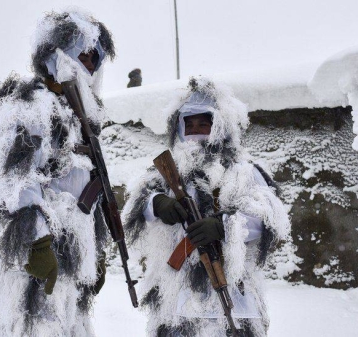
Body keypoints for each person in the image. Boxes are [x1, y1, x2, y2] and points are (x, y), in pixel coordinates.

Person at [0, 9, 115, 336]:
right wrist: (35, 244)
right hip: (37, 257)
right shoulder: (30, 104)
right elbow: (12, 179)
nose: (90, 65)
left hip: (72, 257)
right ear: (57, 55)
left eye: (96, 59)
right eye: (83, 54)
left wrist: (94, 253)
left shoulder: (82, 122)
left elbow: (90, 193)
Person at [123, 77, 290, 337]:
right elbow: (137, 199)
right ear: (179, 128)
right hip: (176, 297)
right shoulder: (167, 172)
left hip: (231, 294)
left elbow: (269, 217)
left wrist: (224, 226)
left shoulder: (243, 172)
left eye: (204, 122)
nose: (196, 130)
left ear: (220, 126)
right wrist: (157, 203)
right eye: (189, 124)